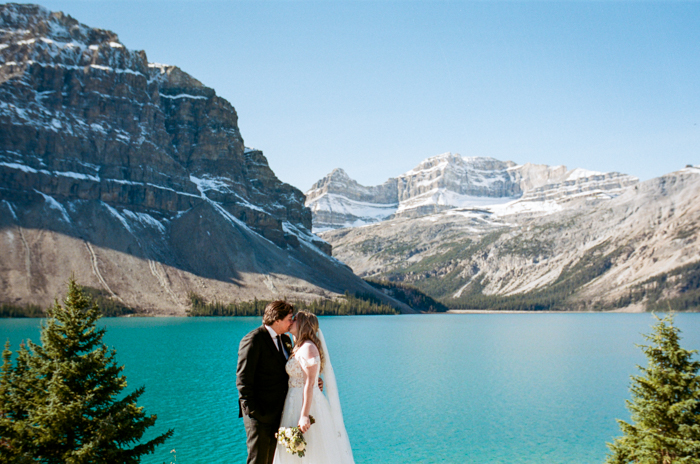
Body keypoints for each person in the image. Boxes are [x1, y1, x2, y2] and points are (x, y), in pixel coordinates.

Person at [273, 311, 355, 464]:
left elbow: (309, 384)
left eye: (295, 319)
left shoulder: (308, 348)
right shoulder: (298, 347)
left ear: (304, 324)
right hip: (292, 402)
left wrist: (304, 415)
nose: (291, 321)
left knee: (313, 451)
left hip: (306, 405)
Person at [237, 301, 295, 464]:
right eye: (289, 318)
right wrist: (254, 411)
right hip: (259, 415)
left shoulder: (285, 340)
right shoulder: (253, 339)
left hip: (279, 413)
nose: (292, 322)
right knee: (258, 460)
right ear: (277, 319)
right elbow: (243, 380)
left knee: (270, 460)